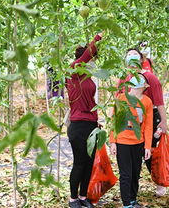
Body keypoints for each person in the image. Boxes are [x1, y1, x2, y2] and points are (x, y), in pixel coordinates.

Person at [118, 48, 169, 196]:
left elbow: (159, 102)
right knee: (132, 153)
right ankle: (131, 186)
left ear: (141, 60)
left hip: (149, 117)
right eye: (128, 54)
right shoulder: (124, 78)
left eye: (135, 55)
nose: (132, 57)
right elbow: (118, 100)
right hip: (128, 119)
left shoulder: (150, 78)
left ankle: (159, 181)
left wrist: (163, 122)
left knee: (150, 151)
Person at [65, 33, 103, 208]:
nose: (91, 61)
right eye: (89, 58)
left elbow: (91, 101)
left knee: (89, 163)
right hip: (78, 125)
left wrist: (96, 120)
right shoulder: (73, 73)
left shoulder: (88, 77)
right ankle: (73, 199)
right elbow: (87, 55)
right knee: (79, 163)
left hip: (90, 124)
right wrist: (97, 38)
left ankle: (82, 197)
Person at [110, 74, 153, 208]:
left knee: (135, 173)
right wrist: (113, 142)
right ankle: (127, 204)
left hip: (138, 143)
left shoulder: (147, 101)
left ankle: (133, 200)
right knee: (126, 174)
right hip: (122, 142)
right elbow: (114, 121)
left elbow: (148, 126)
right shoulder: (121, 98)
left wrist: (147, 146)